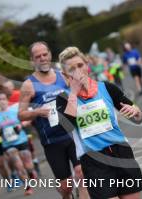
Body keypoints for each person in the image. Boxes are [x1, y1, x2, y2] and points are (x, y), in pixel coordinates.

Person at [57, 47, 142, 199]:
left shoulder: (107, 88)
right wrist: (73, 92)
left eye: (80, 65)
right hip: (94, 160)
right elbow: (68, 126)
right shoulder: (63, 99)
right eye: (72, 69)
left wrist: (137, 113)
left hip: (121, 153)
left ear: (87, 65)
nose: (78, 71)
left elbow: (137, 116)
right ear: (65, 75)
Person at [18, 41, 89, 199]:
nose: (42, 58)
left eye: (45, 54)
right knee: (66, 187)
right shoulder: (28, 85)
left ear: (50, 55)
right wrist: (37, 112)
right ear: (32, 60)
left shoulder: (63, 75)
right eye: (38, 56)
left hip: (73, 134)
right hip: (52, 141)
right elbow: (21, 114)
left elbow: (79, 93)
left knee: (81, 173)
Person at [0, 92, 37, 195]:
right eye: (0, 99)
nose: (2, 101)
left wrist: (21, 125)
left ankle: (31, 172)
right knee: (18, 165)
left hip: (21, 140)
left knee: (28, 165)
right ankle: (28, 187)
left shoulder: (15, 110)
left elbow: (27, 120)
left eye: (3, 99)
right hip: (8, 145)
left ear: (7, 100)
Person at [3, 80, 41, 176]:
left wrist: (26, 122)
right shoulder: (5, 100)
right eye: (5, 88)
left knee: (29, 145)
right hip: (14, 126)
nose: (8, 89)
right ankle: (24, 168)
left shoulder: (19, 94)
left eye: (9, 87)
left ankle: (35, 163)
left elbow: (29, 108)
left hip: (24, 123)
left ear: (12, 86)